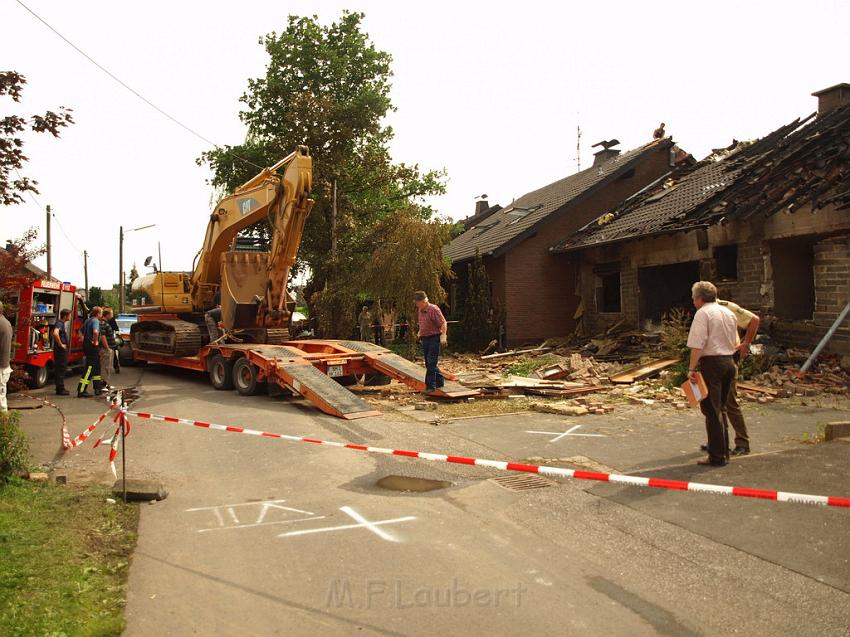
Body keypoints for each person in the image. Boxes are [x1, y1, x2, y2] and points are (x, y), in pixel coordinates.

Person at [687, 281, 739, 466]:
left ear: (700, 298)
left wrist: (691, 369)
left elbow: (697, 344)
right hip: (729, 361)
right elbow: (735, 340)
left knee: (711, 410)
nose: (693, 301)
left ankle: (716, 455)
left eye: (694, 298)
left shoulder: (703, 313)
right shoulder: (728, 312)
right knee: (722, 409)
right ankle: (723, 451)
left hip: (712, 363)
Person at [414, 290, 448, 394]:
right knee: (429, 363)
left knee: (431, 362)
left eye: (417, 302)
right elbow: (423, 324)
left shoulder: (434, 309)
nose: (416, 304)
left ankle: (430, 386)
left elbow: (443, 323)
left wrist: (443, 336)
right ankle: (440, 380)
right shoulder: (420, 310)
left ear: (423, 301)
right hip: (425, 338)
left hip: (434, 338)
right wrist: (419, 334)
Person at [78, 306, 104, 398]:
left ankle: (97, 388)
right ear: (97, 314)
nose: (102, 315)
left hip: (87, 346)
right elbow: (96, 332)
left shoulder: (87, 320)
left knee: (96, 368)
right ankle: (81, 390)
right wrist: (95, 341)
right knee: (89, 368)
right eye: (101, 313)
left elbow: (80, 331)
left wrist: (83, 338)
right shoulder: (95, 321)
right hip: (92, 347)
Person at [52, 308, 71, 395]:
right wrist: (61, 344)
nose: (70, 317)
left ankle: (60, 388)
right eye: (69, 315)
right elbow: (55, 333)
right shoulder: (59, 323)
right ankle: (60, 389)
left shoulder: (61, 324)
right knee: (60, 369)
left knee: (61, 369)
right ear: (65, 316)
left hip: (61, 350)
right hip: (60, 351)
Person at [99, 308, 117, 390]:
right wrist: (107, 348)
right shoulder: (103, 323)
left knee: (109, 367)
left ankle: (106, 384)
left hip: (110, 347)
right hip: (106, 349)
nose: (112, 316)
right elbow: (103, 336)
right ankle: (102, 385)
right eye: (111, 314)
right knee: (105, 367)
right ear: (107, 315)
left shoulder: (106, 323)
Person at [0, 301, 12, 412]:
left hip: (1, 367)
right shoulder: (5, 322)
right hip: (3, 365)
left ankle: (4, 423)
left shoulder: (1, 323)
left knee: (1, 397)